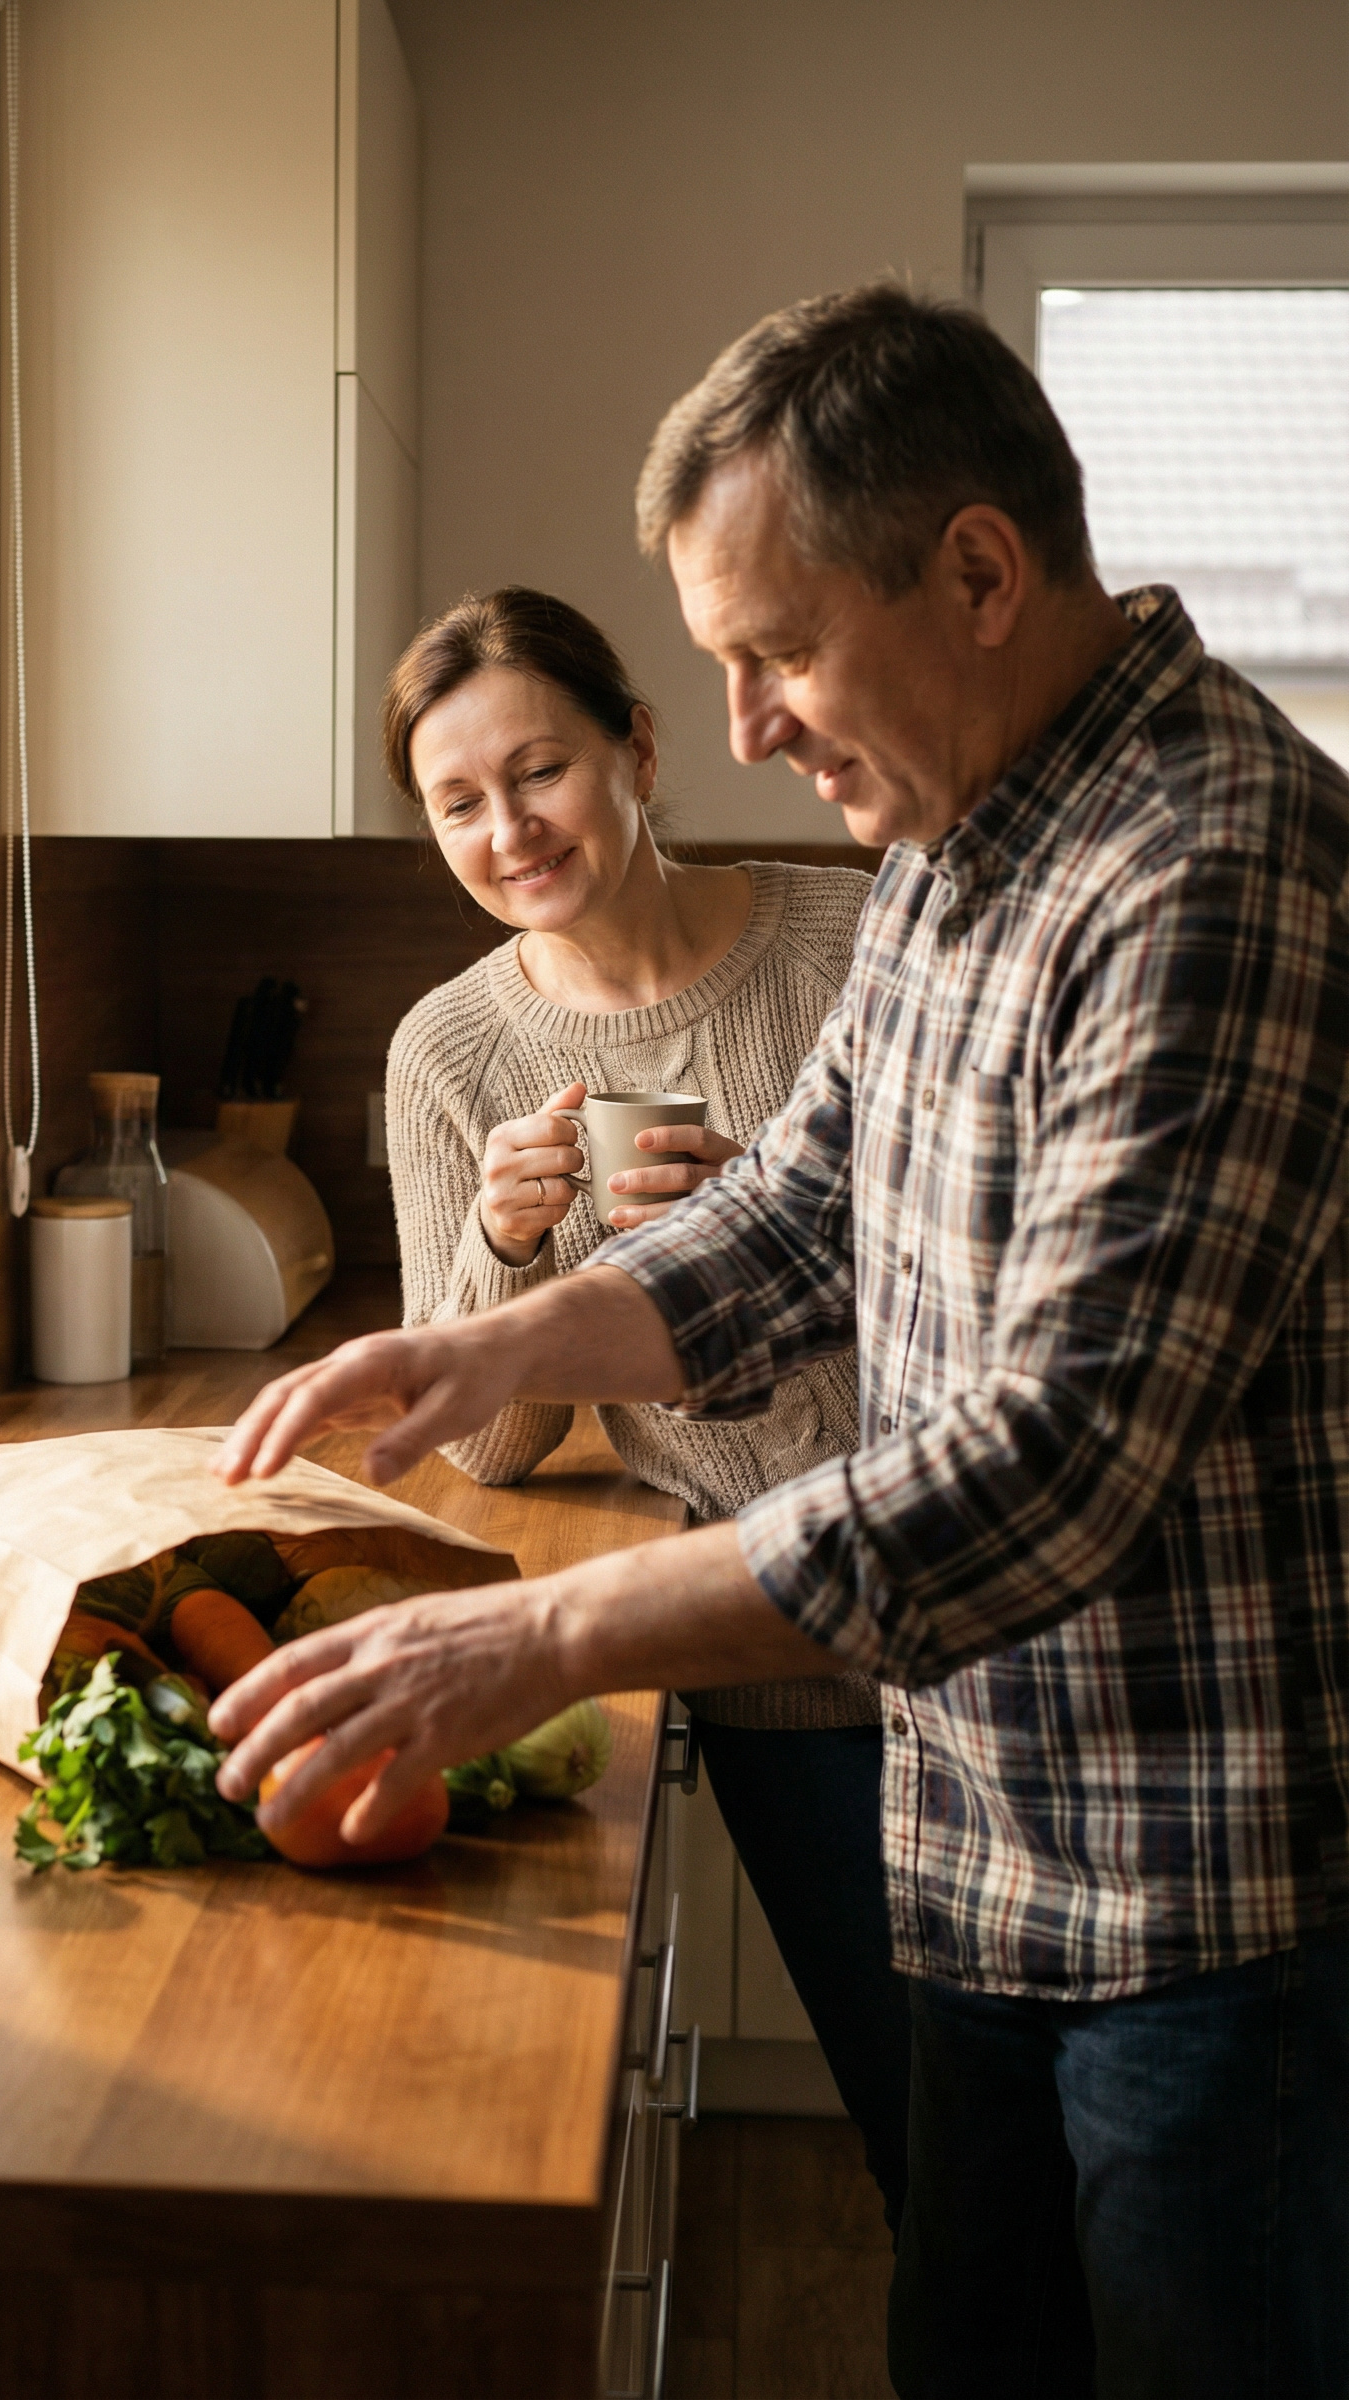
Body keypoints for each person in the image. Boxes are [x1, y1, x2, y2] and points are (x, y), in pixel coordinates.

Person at [208, 285, 1349, 2400]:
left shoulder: (1206, 863)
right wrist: (497, 1342)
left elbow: (1054, 1452)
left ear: (978, 574)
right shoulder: (952, 837)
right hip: (987, 1845)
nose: (736, 728)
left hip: (1200, 1911)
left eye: (776, 650)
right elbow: (803, 1206)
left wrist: (541, 1640)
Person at [381, 584, 910, 2226]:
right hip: (762, 1647)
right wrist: (505, 1239)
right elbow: (481, 1440)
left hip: (971, 1610)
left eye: (537, 771)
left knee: (1069, 2154)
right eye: (458, 802)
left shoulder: (852, 938)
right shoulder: (450, 1050)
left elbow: (982, 1292)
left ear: (639, 748)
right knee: (927, 2135)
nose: (507, 828)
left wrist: (768, 1214)